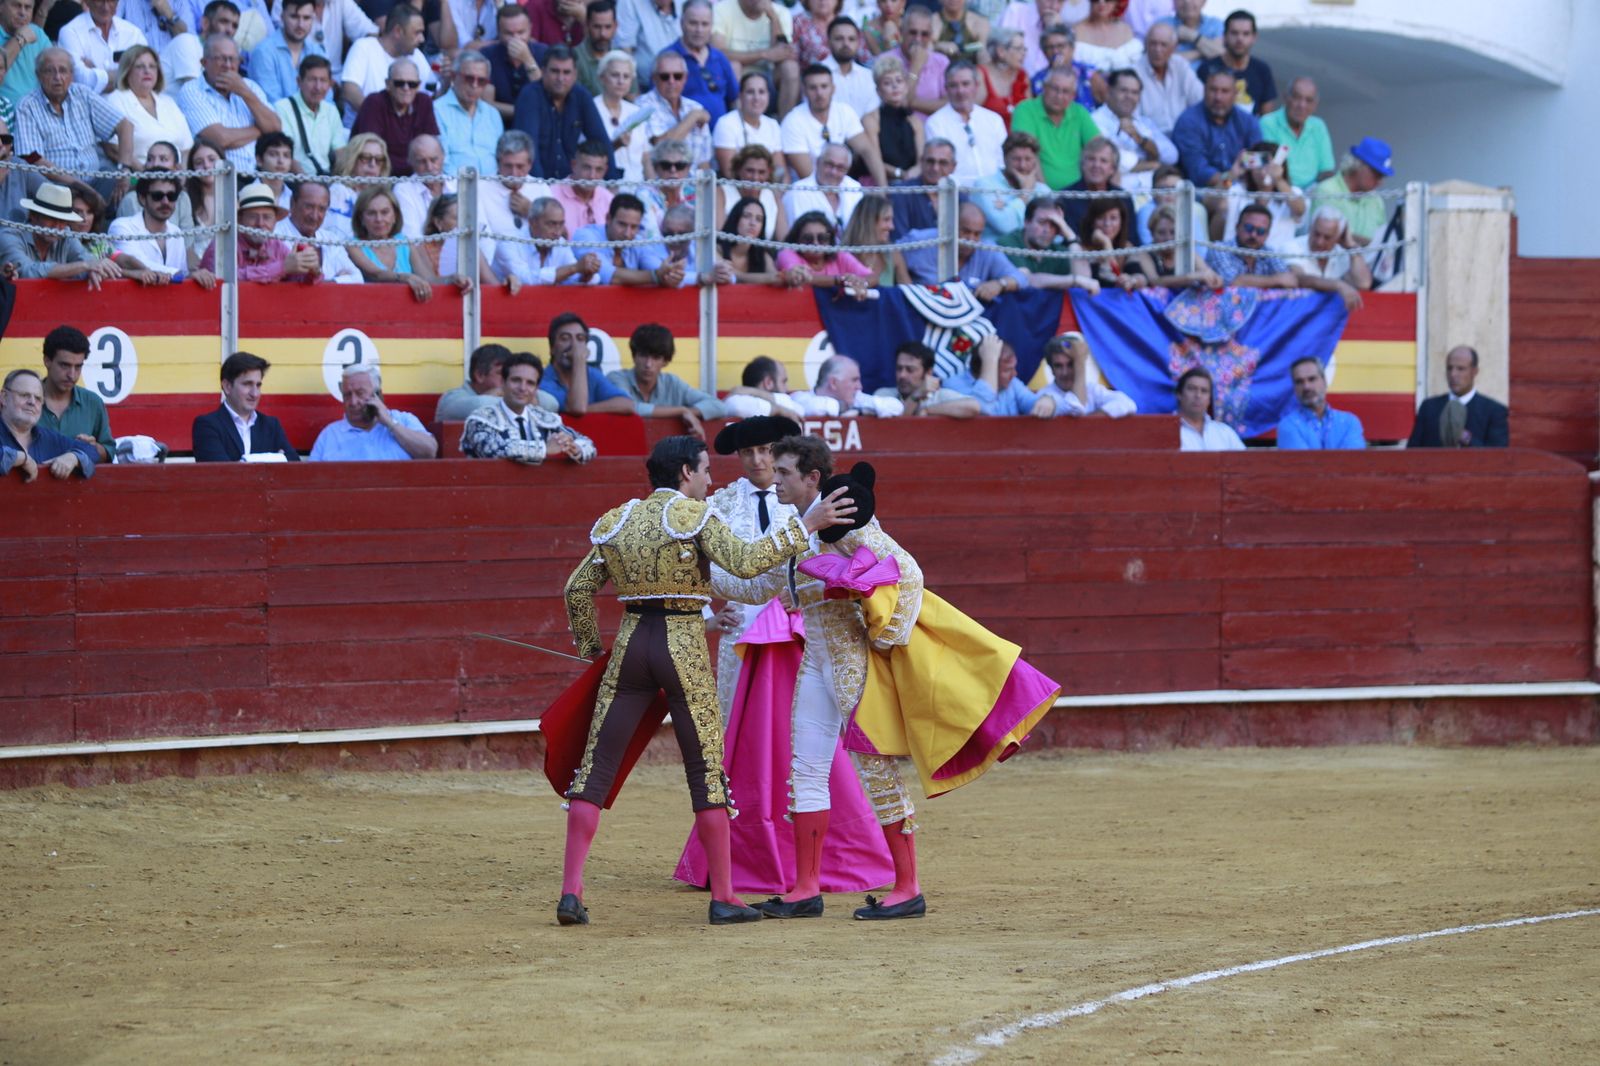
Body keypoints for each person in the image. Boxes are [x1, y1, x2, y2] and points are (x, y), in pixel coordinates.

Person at [553, 433, 855, 926]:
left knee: (595, 768)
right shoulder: (695, 517)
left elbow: (577, 589)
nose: (712, 480)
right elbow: (746, 563)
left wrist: (591, 649)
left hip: (631, 642)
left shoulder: (617, 520)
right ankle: (725, 897)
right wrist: (805, 526)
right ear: (685, 474)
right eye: (705, 470)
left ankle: (571, 892)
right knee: (706, 770)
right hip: (682, 643)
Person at [708, 434, 925, 920]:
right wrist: (699, 572)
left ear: (812, 478)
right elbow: (757, 585)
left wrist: (888, 639)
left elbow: (908, 573)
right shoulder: (796, 529)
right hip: (817, 661)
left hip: (852, 660)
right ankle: (806, 887)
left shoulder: (846, 519)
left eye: (783, 472)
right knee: (804, 768)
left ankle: (908, 886)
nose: (773, 478)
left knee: (876, 768)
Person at [15, 47, 136, 193]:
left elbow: (124, 125)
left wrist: (124, 168)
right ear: (38, 75)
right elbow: (31, 157)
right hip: (56, 185)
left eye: (63, 70)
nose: (57, 77)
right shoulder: (27, 106)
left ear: (72, 75)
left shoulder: (82, 94)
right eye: (49, 71)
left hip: (95, 179)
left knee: (125, 187)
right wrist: (77, 185)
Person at [461, 350, 597, 463]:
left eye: (530, 383)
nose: (523, 388)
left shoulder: (544, 418)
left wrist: (574, 447)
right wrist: (545, 449)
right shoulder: (480, 419)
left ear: (536, 388)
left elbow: (587, 443)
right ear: (503, 382)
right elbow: (493, 449)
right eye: (516, 380)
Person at [176, 33, 280, 172]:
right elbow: (220, 139)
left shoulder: (250, 86)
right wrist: (261, 130)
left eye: (233, 59)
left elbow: (275, 128)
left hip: (260, 176)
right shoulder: (192, 90)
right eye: (221, 59)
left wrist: (245, 93)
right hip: (221, 178)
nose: (228, 65)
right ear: (204, 63)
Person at [515, 44, 616, 179]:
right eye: (555, 71)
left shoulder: (581, 95)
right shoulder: (530, 96)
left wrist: (612, 183)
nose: (560, 78)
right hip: (537, 185)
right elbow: (528, 150)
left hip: (572, 186)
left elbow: (601, 142)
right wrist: (540, 190)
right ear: (543, 71)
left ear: (575, 74)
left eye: (566, 72)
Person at [606, 322, 725, 437]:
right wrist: (681, 411)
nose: (648, 364)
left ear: (665, 362)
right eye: (643, 355)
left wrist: (689, 412)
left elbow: (719, 406)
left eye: (656, 358)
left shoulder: (672, 383)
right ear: (634, 356)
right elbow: (629, 407)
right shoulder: (617, 378)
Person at [308, 361, 438, 460]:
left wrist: (390, 423)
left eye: (360, 393)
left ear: (377, 395)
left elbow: (430, 452)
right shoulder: (329, 436)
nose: (353, 402)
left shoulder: (404, 420)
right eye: (347, 395)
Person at [0, 181, 124, 286]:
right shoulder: (9, 236)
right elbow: (27, 272)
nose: (57, 226)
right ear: (33, 216)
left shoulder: (66, 234)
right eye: (50, 218)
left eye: (63, 220)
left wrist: (92, 269)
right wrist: (86, 266)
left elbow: (86, 260)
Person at [901, 201, 1028, 301]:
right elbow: (890, 253)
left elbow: (1020, 278)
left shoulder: (986, 249)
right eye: (965, 231)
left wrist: (1000, 284)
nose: (971, 239)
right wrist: (906, 282)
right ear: (950, 226)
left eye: (977, 234)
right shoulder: (922, 241)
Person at [780, 62, 882, 185]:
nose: (819, 93)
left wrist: (884, 190)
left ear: (833, 89)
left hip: (838, 182)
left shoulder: (844, 111)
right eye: (813, 88)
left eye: (824, 86)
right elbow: (807, 174)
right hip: (806, 188)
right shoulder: (793, 121)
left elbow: (867, 150)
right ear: (804, 91)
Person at [198, 179, 317, 282]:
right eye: (253, 217)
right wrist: (282, 267)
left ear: (275, 221)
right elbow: (225, 280)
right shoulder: (222, 247)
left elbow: (297, 283)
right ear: (240, 219)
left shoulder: (278, 247)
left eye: (267, 217)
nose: (260, 224)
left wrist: (312, 271)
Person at [348, 184, 452, 300]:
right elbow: (376, 274)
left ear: (395, 216)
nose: (379, 219)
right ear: (361, 218)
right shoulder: (353, 246)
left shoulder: (404, 242)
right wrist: (404, 277)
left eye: (385, 212)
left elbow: (429, 279)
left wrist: (452, 279)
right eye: (371, 213)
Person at [190, 350, 299, 461]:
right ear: (227, 386)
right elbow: (220, 473)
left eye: (258, 385)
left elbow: (295, 466)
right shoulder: (207, 425)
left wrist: (242, 463)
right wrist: (275, 459)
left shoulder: (271, 425)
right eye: (247, 384)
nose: (255, 393)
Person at [1010, 64, 1098, 189]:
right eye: (1054, 89)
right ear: (1044, 88)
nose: (1059, 96)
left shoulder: (1079, 112)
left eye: (1065, 91)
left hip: (1077, 194)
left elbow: (1100, 148)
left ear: (1073, 95)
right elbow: (1027, 154)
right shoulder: (1025, 110)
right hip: (1038, 193)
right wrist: (1045, 192)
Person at [35, 324, 112, 462]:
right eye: (65, 365)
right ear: (47, 360)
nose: (72, 374)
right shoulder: (23, 400)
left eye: (78, 366)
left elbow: (109, 453)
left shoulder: (93, 402)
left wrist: (93, 448)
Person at [1406, 345, 1509, 449]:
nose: (1453, 374)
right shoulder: (1429, 408)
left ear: (1474, 371)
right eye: (1449, 368)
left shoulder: (1495, 412)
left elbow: (1497, 457)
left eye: (1461, 369)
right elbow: (1412, 453)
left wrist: (1467, 438)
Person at [0, 367, 95, 478]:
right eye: (24, 395)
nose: (32, 402)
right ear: (4, 397)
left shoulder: (48, 438)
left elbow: (92, 452)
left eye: (38, 398)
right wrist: (18, 457)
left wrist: (74, 457)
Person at [351, 58, 439, 176]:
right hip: (380, 177)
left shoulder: (424, 102)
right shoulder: (374, 103)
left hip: (415, 177)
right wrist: (415, 164)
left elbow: (430, 148)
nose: (406, 88)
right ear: (388, 84)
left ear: (418, 86)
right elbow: (373, 154)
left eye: (412, 84)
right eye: (399, 83)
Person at [106, 44, 193, 163]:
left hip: (176, 176)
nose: (147, 71)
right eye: (139, 67)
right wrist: (146, 173)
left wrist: (182, 178)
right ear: (127, 71)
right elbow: (113, 148)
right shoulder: (116, 100)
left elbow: (186, 149)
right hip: (138, 176)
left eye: (152, 66)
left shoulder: (168, 102)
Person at [711, 0, 799, 117]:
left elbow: (782, 52)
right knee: (734, 66)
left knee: (791, 68)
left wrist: (773, 17)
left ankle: (786, 124)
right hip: (737, 78)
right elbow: (718, 53)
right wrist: (764, 54)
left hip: (769, 78)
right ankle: (739, 123)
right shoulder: (721, 9)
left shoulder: (780, 12)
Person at [1091, 66, 1175, 189]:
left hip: (1153, 192)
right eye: (1124, 90)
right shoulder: (1095, 120)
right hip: (1121, 193)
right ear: (1109, 91)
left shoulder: (1142, 122)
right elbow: (1116, 163)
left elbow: (1171, 156)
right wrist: (1153, 165)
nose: (1129, 96)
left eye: (1134, 92)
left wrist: (1141, 140)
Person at [339, 3, 431, 114]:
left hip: (405, 130)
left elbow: (431, 94)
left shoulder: (416, 55)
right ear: (398, 31)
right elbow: (349, 90)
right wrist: (378, 118)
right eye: (417, 33)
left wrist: (445, 83)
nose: (422, 39)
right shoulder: (364, 47)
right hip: (363, 129)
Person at [539, 311, 637, 414]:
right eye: (565, 338)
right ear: (552, 348)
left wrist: (587, 409)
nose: (574, 346)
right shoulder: (542, 381)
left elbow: (627, 404)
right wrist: (579, 361)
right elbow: (577, 407)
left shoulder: (592, 374)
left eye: (580, 339)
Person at [924, 60, 1005, 182]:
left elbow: (1002, 162)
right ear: (946, 89)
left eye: (965, 84)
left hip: (996, 193)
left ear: (976, 86)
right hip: (957, 194)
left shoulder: (993, 120)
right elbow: (939, 169)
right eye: (953, 85)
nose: (960, 91)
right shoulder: (935, 123)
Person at [272, 178, 364, 283]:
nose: (315, 216)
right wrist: (339, 280)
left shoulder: (330, 239)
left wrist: (328, 283)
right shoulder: (274, 234)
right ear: (292, 203)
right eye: (309, 207)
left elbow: (357, 278)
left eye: (321, 209)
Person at [996, 196, 1095, 289]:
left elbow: (1085, 281)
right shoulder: (1008, 243)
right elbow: (1026, 279)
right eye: (1042, 222)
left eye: (1054, 224)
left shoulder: (1056, 250)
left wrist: (1070, 236)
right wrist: (1074, 280)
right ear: (1027, 222)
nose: (1047, 230)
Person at [1310, 137, 1393, 248]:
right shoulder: (1328, 190)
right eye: (1376, 174)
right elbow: (1331, 237)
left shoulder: (1376, 200)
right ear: (1358, 165)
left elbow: (1383, 240)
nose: (1380, 182)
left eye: (1382, 176)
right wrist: (1373, 245)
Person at [1216, 139, 1301, 246]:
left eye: (1268, 166)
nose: (1262, 171)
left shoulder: (1291, 192)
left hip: (1277, 260)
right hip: (1237, 258)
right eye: (1258, 165)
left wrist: (1278, 180)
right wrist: (1232, 175)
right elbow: (1211, 201)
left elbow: (1299, 210)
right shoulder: (1238, 190)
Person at [944, 334, 1053, 416]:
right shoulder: (952, 386)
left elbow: (1033, 403)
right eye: (1007, 370)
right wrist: (990, 362)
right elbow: (984, 409)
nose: (1014, 374)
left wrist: (1048, 401)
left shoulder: (1012, 384)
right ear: (986, 368)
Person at [970, 129, 1051, 240]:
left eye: (1028, 159)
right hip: (995, 252)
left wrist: (1008, 208)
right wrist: (1024, 195)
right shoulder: (984, 185)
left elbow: (1052, 234)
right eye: (1016, 159)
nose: (1022, 165)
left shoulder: (1043, 191)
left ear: (1035, 161)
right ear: (1004, 159)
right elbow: (1005, 227)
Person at [274, 54, 346, 176]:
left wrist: (338, 181)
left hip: (325, 179)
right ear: (299, 82)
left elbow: (341, 153)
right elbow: (287, 155)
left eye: (323, 80)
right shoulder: (282, 108)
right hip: (294, 180)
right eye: (312, 80)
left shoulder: (331, 111)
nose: (318, 87)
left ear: (330, 84)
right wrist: (307, 184)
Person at [1195, 8, 1275, 116]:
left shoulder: (1262, 70)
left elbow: (1267, 118)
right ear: (1224, 36)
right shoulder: (1207, 69)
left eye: (1246, 34)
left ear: (1254, 37)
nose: (1240, 39)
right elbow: (1198, 110)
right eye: (1234, 33)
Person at [666, 0, 737, 122]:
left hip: (721, 136)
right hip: (684, 136)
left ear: (711, 26)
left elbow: (735, 99)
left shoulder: (720, 58)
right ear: (682, 23)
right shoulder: (667, 60)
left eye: (705, 24)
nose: (699, 30)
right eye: (693, 23)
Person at [774, 210, 872, 297]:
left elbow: (871, 277)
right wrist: (841, 280)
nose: (815, 243)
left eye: (822, 238)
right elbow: (800, 278)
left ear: (830, 240)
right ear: (797, 240)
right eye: (808, 239)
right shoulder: (787, 253)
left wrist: (859, 283)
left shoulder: (839, 254)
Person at [108, 172, 189, 278]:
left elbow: (183, 276)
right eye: (157, 196)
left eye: (171, 196)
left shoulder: (176, 233)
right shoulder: (121, 227)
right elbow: (136, 264)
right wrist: (182, 275)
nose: (165, 202)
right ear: (142, 199)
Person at [1036, 331, 1135, 417]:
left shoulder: (1092, 390)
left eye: (1071, 365)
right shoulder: (1046, 395)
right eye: (1058, 366)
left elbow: (1128, 404)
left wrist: (1091, 420)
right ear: (1051, 369)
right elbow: (1076, 408)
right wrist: (1079, 362)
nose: (1065, 372)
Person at [1258, 76, 1332, 190]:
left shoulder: (1319, 126)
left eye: (1309, 100)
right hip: (1279, 192)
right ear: (1286, 98)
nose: (1302, 105)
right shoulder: (1268, 123)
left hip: (1312, 194)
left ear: (1315, 105)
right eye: (1297, 98)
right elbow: (1270, 168)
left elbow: (1327, 170)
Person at [1276, 356, 1363, 450]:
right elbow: (1302, 463)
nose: (1306, 387)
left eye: (1312, 379)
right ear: (1294, 388)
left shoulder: (1349, 422)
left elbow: (1354, 461)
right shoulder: (1288, 425)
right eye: (1299, 382)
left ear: (1324, 381)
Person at [58, 0, 145, 94]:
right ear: (87, 2)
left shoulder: (133, 33)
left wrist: (96, 73)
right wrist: (128, 73)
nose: (106, 7)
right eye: (99, 1)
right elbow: (80, 81)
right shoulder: (70, 32)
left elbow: (146, 75)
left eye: (111, 1)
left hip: (130, 106)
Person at [875, 340, 980, 418]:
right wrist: (915, 397)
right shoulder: (884, 395)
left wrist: (927, 410)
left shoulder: (940, 396)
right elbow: (896, 426)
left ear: (928, 372)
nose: (902, 375)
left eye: (910, 370)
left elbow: (974, 407)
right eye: (899, 368)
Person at [247, 0, 323, 105]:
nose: (300, 24)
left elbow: (326, 101)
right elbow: (273, 104)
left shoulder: (317, 52)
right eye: (294, 17)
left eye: (306, 18)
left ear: (313, 19)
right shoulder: (264, 53)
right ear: (282, 17)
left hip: (315, 119)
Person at [1131, 20, 1199, 135]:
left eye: (1163, 45)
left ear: (1174, 47)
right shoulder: (1134, 72)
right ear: (1146, 44)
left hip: (1185, 135)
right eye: (1153, 43)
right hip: (1152, 139)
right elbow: (1134, 119)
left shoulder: (1181, 65)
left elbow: (1199, 100)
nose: (1158, 50)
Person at [859, 55, 920, 184]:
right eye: (887, 83)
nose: (894, 86)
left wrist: (913, 173)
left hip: (912, 181)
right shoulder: (870, 120)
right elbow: (874, 160)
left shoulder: (915, 120)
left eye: (899, 81)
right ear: (878, 90)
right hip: (880, 182)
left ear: (906, 86)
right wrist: (900, 174)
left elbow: (921, 160)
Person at [481, 2, 547, 121]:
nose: (516, 38)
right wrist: (523, 111)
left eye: (521, 32)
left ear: (530, 29)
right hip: (499, 122)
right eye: (509, 33)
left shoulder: (544, 53)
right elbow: (487, 104)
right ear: (498, 32)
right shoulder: (487, 55)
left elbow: (546, 97)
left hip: (538, 121)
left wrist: (528, 60)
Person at [1285, 206, 1372, 292]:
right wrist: (1337, 285)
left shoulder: (1343, 252)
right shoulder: (1293, 247)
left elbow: (1363, 284)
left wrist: (1351, 245)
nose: (1319, 242)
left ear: (1339, 236)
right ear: (1310, 228)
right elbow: (1299, 279)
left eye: (1327, 238)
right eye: (1316, 234)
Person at [791, 354, 904, 417]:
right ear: (834, 383)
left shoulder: (856, 400)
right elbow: (815, 408)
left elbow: (896, 407)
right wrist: (845, 409)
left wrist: (860, 411)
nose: (859, 387)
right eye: (854, 380)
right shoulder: (801, 398)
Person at [882, 6, 947, 115]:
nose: (918, 39)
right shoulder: (886, 61)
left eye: (924, 34)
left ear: (931, 35)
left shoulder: (941, 62)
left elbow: (949, 104)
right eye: (913, 32)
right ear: (901, 31)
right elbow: (896, 105)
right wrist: (916, 66)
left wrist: (912, 102)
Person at [782, 141, 861, 230]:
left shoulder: (855, 189)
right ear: (818, 162)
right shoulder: (796, 193)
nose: (833, 172)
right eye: (829, 164)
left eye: (840, 168)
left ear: (847, 170)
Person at [1080, 195, 1153, 289]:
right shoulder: (1081, 249)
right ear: (1092, 221)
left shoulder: (1126, 246)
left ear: (1121, 221)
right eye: (1101, 218)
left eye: (1113, 218)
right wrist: (1106, 244)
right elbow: (1107, 280)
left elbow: (1142, 278)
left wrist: (1132, 280)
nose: (1107, 223)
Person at [595, 49, 646, 182]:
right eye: (615, 75)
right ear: (602, 77)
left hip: (637, 188)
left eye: (626, 76)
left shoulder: (636, 112)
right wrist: (615, 145)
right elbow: (587, 155)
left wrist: (654, 192)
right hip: (605, 189)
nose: (621, 81)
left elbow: (645, 156)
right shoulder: (591, 109)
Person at [719, 195, 795, 286]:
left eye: (758, 219)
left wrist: (791, 275)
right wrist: (774, 277)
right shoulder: (717, 249)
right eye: (747, 216)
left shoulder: (762, 255)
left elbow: (776, 278)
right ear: (735, 218)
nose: (753, 223)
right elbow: (733, 276)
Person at [887, 136, 952, 240]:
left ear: (953, 166)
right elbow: (899, 241)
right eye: (930, 161)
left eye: (943, 163)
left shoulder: (959, 196)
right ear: (921, 162)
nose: (935, 168)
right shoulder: (901, 193)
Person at [839, 193, 906, 287]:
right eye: (886, 220)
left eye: (891, 220)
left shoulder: (892, 254)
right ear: (868, 221)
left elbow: (909, 293)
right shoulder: (842, 255)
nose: (892, 227)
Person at [818, 14, 876, 122]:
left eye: (851, 39)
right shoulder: (816, 75)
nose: (846, 44)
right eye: (839, 39)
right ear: (828, 42)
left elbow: (872, 116)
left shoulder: (868, 76)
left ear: (858, 43)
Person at [0, 0, 52, 119]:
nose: (22, 13)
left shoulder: (36, 32)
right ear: (1, 7)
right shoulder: (26, 33)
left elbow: (56, 70)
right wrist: (20, 39)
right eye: (16, 5)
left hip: (40, 115)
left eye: (27, 7)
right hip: (7, 116)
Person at [551, 138, 613, 236]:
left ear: (605, 171)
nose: (592, 176)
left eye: (599, 169)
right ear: (573, 165)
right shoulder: (552, 195)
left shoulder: (608, 199)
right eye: (587, 167)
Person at [1176, 364, 1243, 450]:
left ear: (1209, 400)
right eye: (1192, 389)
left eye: (1204, 391)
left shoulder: (1225, 433)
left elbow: (1246, 462)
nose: (1198, 395)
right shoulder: (1167, 432)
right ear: (1179, 394)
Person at [438, 341, 508, 420]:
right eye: (501, 373)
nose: (507, 379)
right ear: (480, 375)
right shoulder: (452, 399)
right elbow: (479, 405)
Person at [616, 0, 679, 88]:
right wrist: (633, 92)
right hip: (645, 87)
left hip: (686, 83)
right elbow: (625, 51)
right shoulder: (629, 2)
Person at [722, 354, 804, 419]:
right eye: (783, 381)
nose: (787, 388)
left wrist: (753, 392)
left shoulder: (785, 402)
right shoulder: (739, 402)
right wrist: (779, 410)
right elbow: (737, 406)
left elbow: (799, 410)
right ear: (768, 383)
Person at [977, 26, 1027, 128]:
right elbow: (972, 114)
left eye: (1024, 49)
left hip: (1018, 140)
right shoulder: (980, 75)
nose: (1024, 54)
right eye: (1018, 49)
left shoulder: (1023, 76)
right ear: (1001, 51)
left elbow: (1030, 114)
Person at [1073, 0, 1140, 75]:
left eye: (1107, 0)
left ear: (1117, 2)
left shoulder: (1125, 29)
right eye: (1096, 0)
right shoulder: (1076, 31)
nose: (1101, 2)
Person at [574, 0, 617, 96]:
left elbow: (632, 98)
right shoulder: (575, 57)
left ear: (615, 27)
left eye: (608, 27)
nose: (602, 34)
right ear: (587, 26)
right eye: (597, 27)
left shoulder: (622, 57)